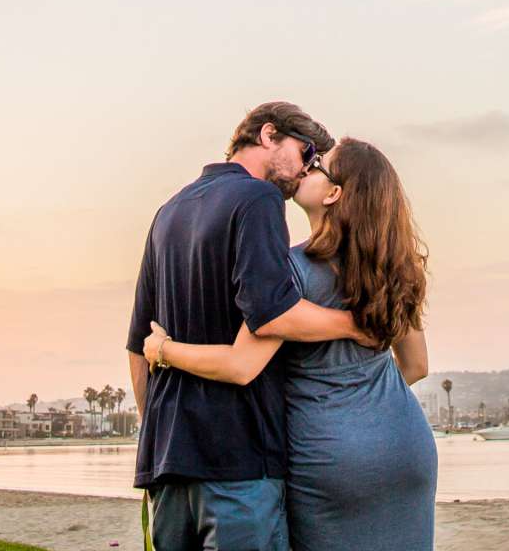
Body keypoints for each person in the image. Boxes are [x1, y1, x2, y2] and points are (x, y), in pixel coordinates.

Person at [146, 138, 435, 551]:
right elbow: (417, 366)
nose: (306, 169)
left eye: (318, 166)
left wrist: (163, 350)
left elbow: (239, 365)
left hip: (329, 455)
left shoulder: (290, 272)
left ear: (334, 194)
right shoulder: (396, 269)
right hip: (407, 447)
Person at [127, 102, 373, 551]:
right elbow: (273, 312)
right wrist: (357, 325)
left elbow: (137, 347)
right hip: (238, 463)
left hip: (168, 465)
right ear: (267, 135)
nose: (306, 170)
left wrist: (163, 433)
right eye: (306, 154)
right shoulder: (258, 198)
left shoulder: (168, 211)